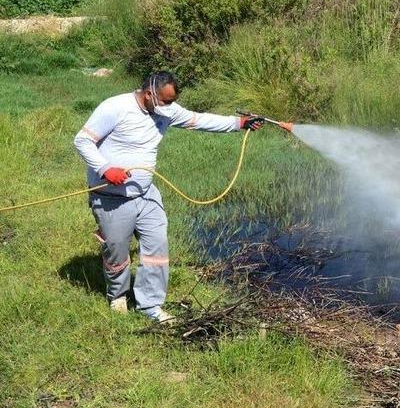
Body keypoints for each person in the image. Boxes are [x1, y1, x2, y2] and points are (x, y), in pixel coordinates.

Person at [73, 71, 265, 322]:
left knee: (156, 247)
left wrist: (239, 124)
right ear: (149, 93)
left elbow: (199, 120)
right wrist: (105, 169)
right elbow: (82, 140)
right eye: (164, 101)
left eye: (171, 102)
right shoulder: (115, 107)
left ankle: (150, 305)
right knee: (117, 252)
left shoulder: (166, 110)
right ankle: (118, 296)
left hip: (146, 194)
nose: (169, 107)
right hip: (110, 197)